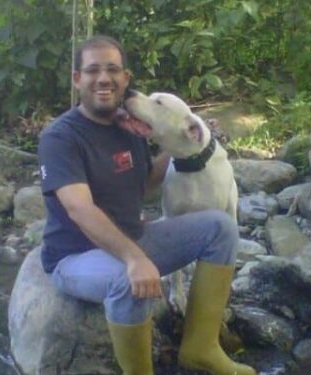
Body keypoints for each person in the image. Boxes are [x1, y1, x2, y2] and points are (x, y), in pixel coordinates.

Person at [37, 35, 256, 375]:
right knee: (128, 280)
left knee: (221, 228)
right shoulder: (61, 137)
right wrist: (135, 259)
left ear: (125, 78)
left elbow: (146, 184)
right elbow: (80, 209)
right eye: (92, 70)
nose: (104, 78)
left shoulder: (129, 127)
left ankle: (201, 348)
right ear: (77, 79)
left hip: (132, 237)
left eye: (113, 69)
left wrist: (188, 146)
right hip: (75, 256)